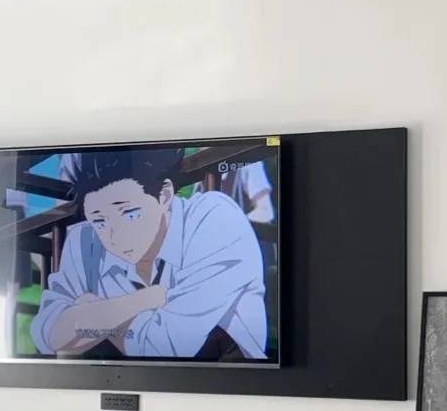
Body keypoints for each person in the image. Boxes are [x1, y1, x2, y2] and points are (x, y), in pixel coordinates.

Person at [29, 146, 269, 360]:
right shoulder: (84, 240)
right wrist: (144, 300)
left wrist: (91, 313)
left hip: (227, 387)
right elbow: (48, 335)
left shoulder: (213, 219)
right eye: (100, 221)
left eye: (130, 214)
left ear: (164, 195)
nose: (115, 236)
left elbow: (162, 347)